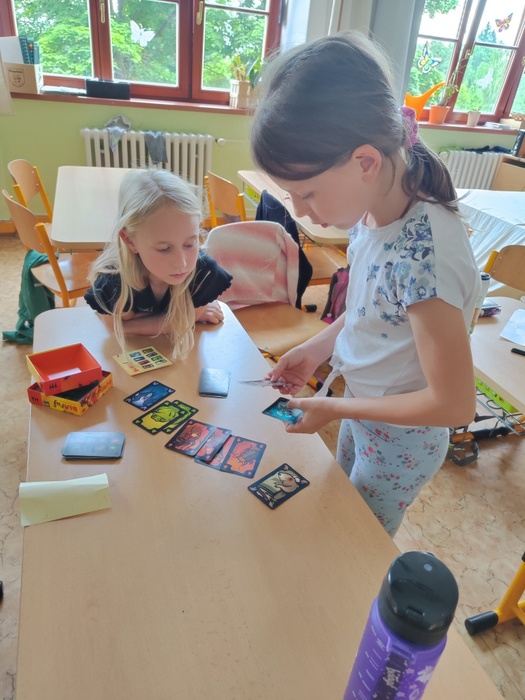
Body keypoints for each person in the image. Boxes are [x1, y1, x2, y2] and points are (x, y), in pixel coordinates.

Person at [251, 31, 480, 537]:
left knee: (359, 541)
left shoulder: (424, 258)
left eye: (308, 193)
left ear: (366, 162)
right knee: (340, 514)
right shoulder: (372, 212)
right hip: (362, 407)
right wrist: (315, 350)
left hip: (402, 439)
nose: (300, 211)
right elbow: (370, 313)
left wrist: (334, 406)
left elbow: (455, 404)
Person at [85, 169, 232, 359]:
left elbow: (120, 326)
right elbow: (114, 328)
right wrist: (184, 318)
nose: (182, 263)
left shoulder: (204, 272)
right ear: (130, 240)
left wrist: (129, 323)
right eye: (164, 249)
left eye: (190, 244)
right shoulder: (112, 280)